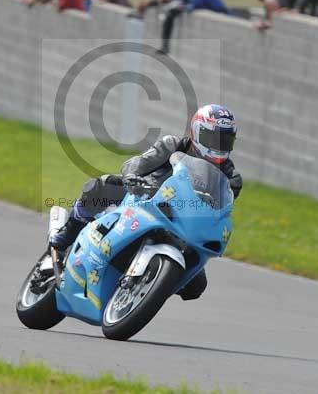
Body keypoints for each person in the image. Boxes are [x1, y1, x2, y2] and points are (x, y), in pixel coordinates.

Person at [50, 104, 242, 301]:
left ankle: (151, 283)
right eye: (213, 138)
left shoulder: (231, 178)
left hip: (183, 223)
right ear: (197, 132)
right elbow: (137, 164)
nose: (219, 145)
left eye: (225, 140)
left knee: (196, 286)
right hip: (144, 198)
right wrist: (132, 176)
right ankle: (67, 234)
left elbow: (220, 209)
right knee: (101, 186)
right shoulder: (172, 145)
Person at [160, 0, 229, 52]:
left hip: (217, 11)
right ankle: (165, 45)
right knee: (171, 13)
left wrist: (183, 7)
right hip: (211, 9)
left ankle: (165, 46)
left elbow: (196, 4)